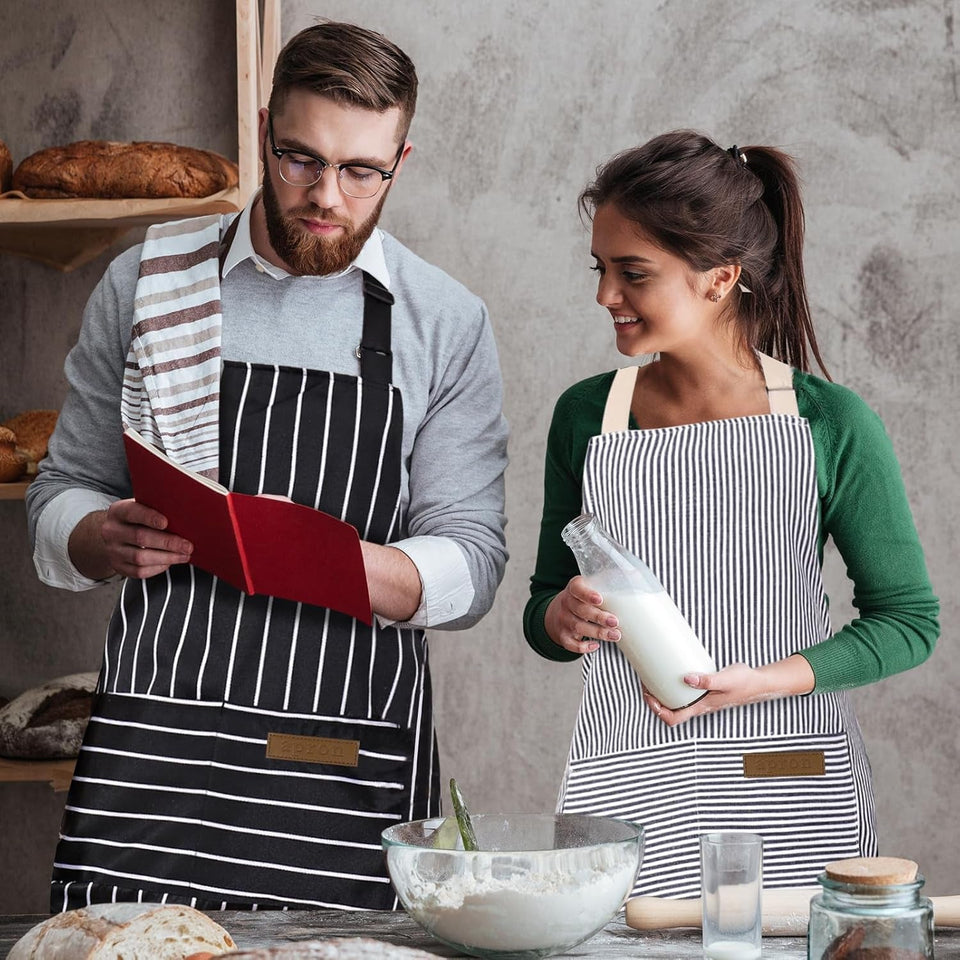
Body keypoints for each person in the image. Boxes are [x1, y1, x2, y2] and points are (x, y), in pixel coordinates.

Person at [27, 20, 508, 911]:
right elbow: (60, 491)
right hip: (155, 746)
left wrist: (315, 558)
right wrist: (95, 535)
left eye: (361, 171)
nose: (326, 196)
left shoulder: (444, 321)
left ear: (400, 161)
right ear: (263, 132)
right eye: (300, 160)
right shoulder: (148, 283)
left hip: (336, 752)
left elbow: (473, 564)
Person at [523, 131, 938, 899]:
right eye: (600, 269)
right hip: (630, 778)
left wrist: (765, 681)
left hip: (789, 779)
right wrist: (561, 618)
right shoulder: (586, 416)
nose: (605, 295)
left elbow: (909, 622)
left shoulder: (829, 422)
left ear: (720, 278)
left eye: (632, 273)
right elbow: (543, 610)